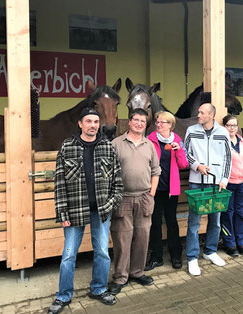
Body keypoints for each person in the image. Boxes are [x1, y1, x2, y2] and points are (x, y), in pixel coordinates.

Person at [48, 108, 123, 313]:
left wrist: (109, 205)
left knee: (102, 253)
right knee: (69, 255)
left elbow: (118, 183)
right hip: (74, 211)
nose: (93, 125)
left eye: (96, 121)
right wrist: (62, 213)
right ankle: (63, 296)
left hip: (101, 211)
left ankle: (98, 289)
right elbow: (60, 184)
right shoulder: (67, 146)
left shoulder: (107, 147)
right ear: (80, 124)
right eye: (88, 121)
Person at [109, 108, 161, 295]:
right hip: (122, 199)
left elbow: (156, 171)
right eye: (136, 120)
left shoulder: (150, 145)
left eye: (142, 121)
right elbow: (108, 173)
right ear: (129, 122)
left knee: (142, 237)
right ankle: (120, 277)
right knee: (122, 239)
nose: (139, 123)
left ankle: (137, 272)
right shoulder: (116, 144)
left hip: (144, 198)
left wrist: (151, 194)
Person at [184, 92, 231, 276]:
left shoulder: (223, 132)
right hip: (197, 182)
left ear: (211, 115)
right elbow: (186, 153)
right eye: (199, 112)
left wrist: (224, 180)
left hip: (216, 183)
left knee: (216, 220)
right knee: (194, 222)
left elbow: (228, 158)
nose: (199, 115)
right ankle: (192, 257)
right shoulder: (191, 131)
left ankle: (210, 251)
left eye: (202, 112)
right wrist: (196, 165)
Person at [146, 111, 189, 270]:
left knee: (172, 222)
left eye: (162, 122)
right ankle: (156, 257)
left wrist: (178, 150)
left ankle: (176, 256)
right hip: (154, 188)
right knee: (155, 223)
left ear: (170, 125)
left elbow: (184, 165)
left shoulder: (177, 140)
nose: (158, 125)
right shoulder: (150, 139)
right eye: (157, 122)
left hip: (171, 189)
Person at [220, 114, 243, 257]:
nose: (232, 128)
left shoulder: (241, 141)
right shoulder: (222, 142)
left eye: (234, 125)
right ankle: (229, 243)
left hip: (241, 184)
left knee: (240, 214)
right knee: (227, 214)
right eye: (229, 125)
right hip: (228, 184)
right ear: (224, 126)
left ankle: (241, 242)